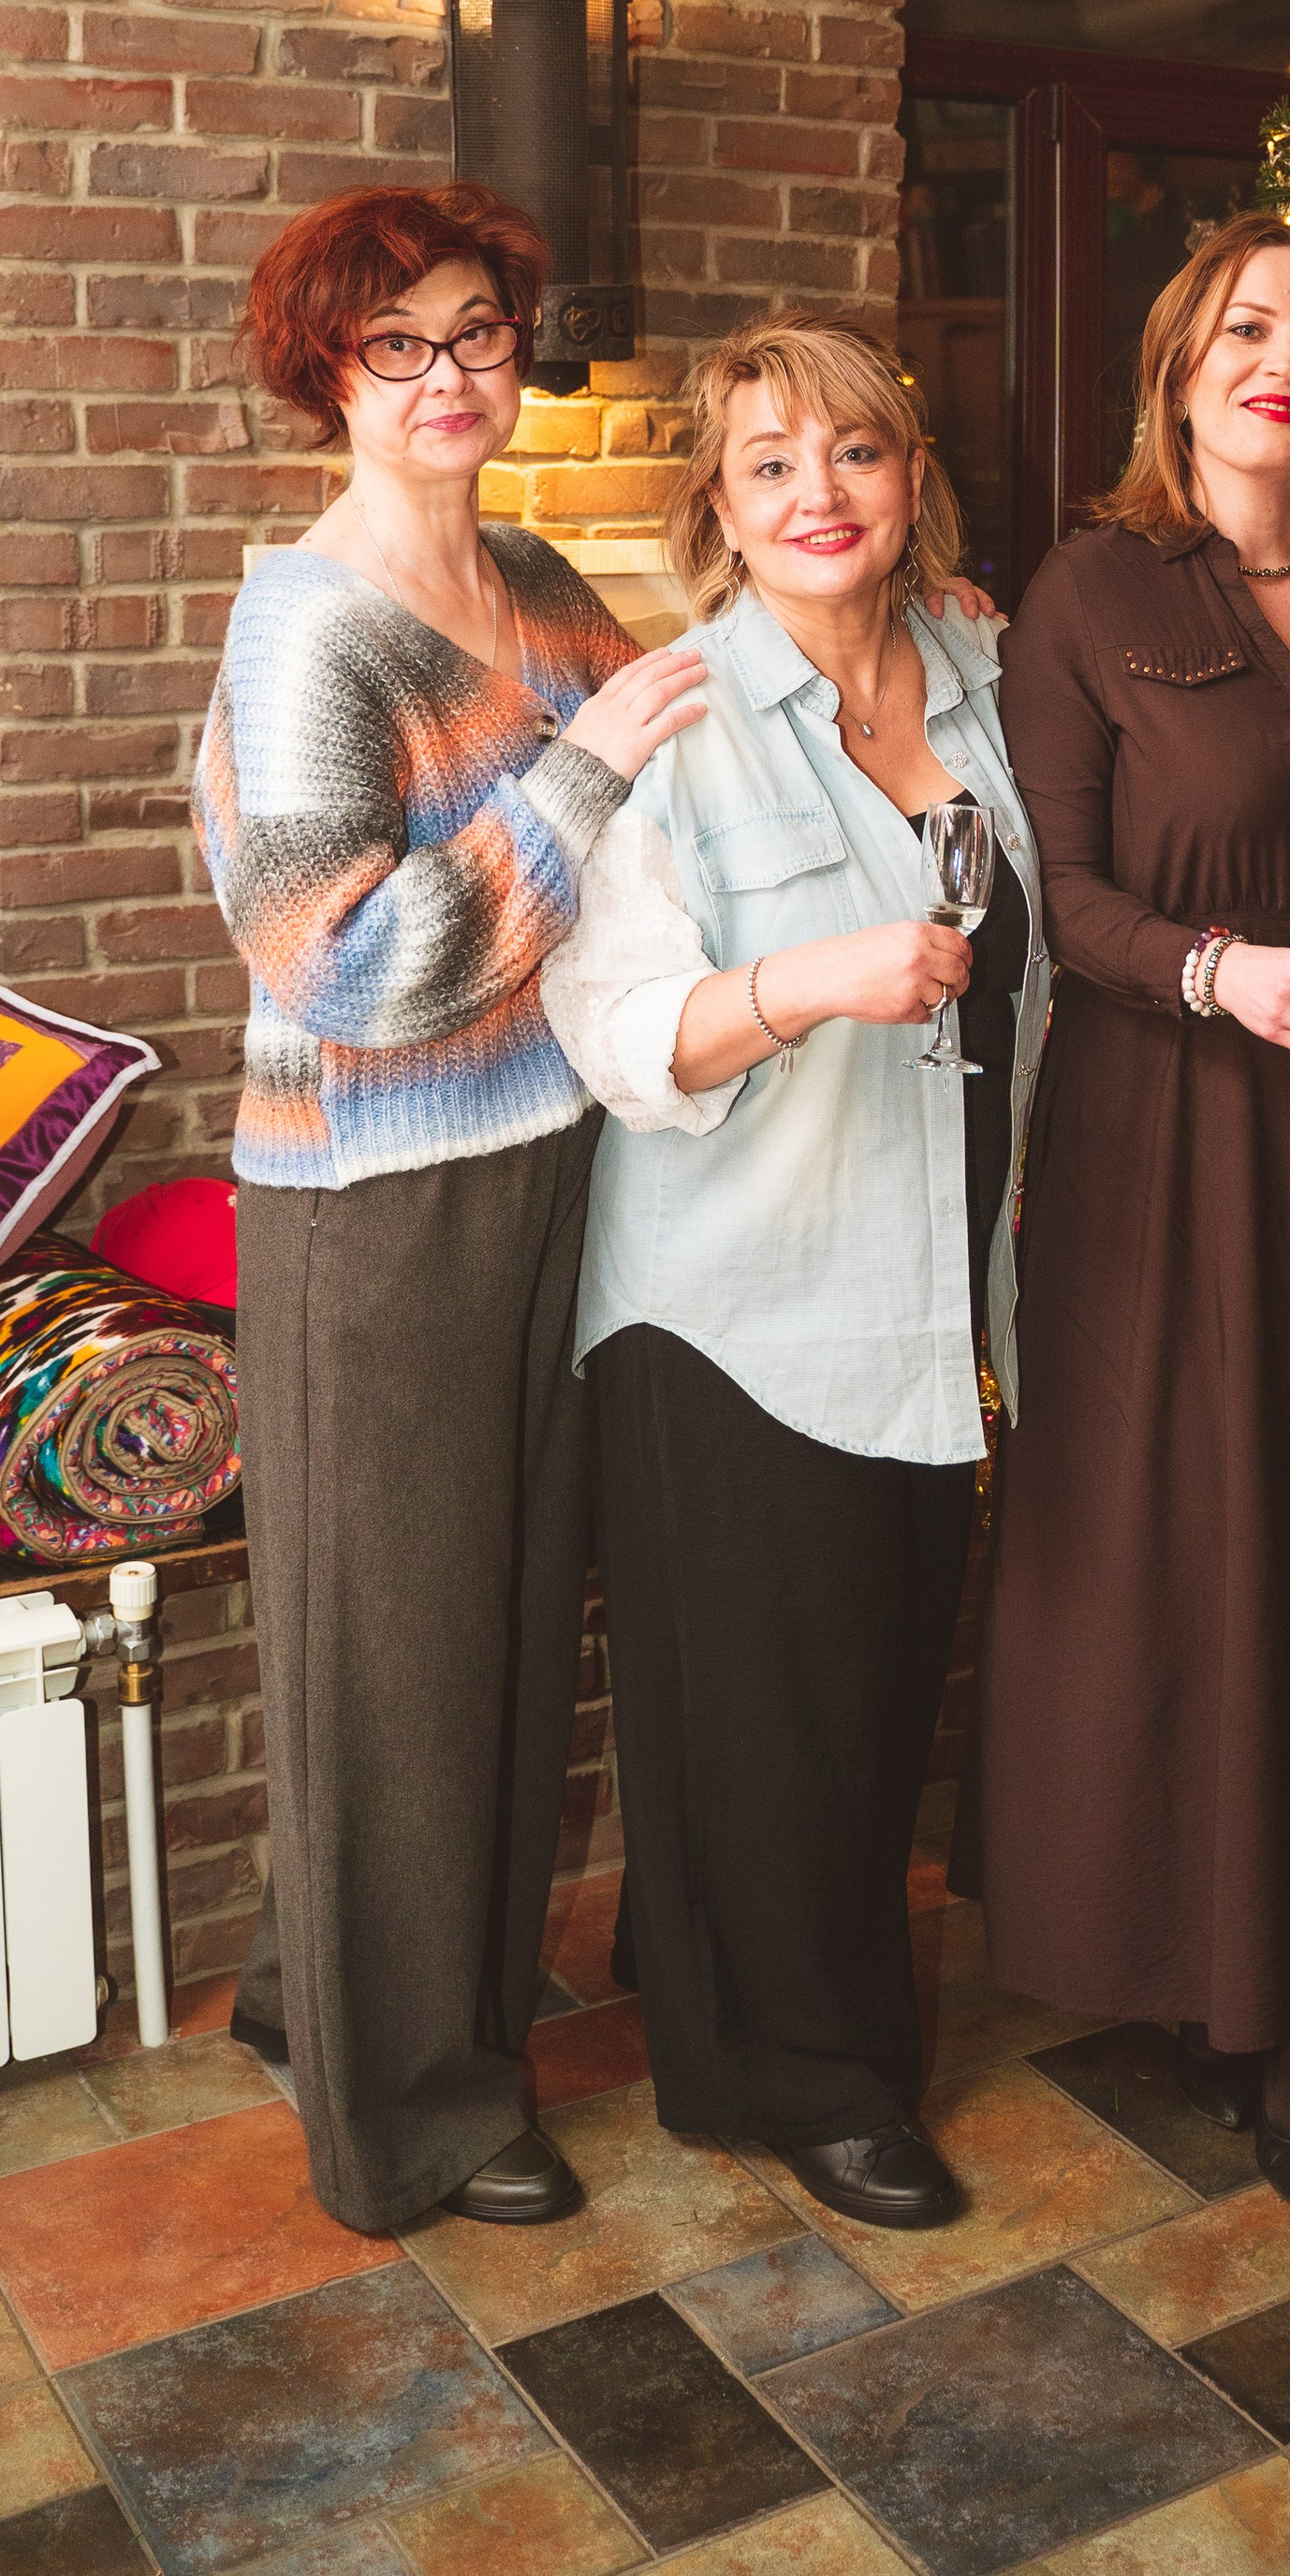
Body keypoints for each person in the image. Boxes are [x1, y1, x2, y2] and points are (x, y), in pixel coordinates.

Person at [195, 183, 706, 2235]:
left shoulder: (531, 572)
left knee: (483, 1630)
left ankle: (313, 1985)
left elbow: (663, 760)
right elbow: (352, 970)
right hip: (366, 1206)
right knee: (399, 1657)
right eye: (397, 343)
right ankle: (408, 2114)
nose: (447, 377)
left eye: (478, 334)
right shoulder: (305, 628)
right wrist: (580, 780)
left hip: (538, 1168)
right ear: (328, 369)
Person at [540, 317, 1046, 2232]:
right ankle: (805, 2081)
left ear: (908, 482)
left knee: (859, 1689)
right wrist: (803, 984)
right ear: (719, 513)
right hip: (729, 1300)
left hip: (932, 1290)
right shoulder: (664, 728)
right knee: (772, 1707)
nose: (815, 493)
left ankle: (728, 1980)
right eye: (768, 465)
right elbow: (616, 1036)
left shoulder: (984, 678)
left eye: (850, 453)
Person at [964, 216, 1290, 2220]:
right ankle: (1227, 1987)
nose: (1284, 366)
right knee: (1193, 1542)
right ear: (1179, 366)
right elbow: (1055, 896)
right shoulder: (1089, 590)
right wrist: (1216, 975)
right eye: (1247, 331)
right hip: (1165, 1140)